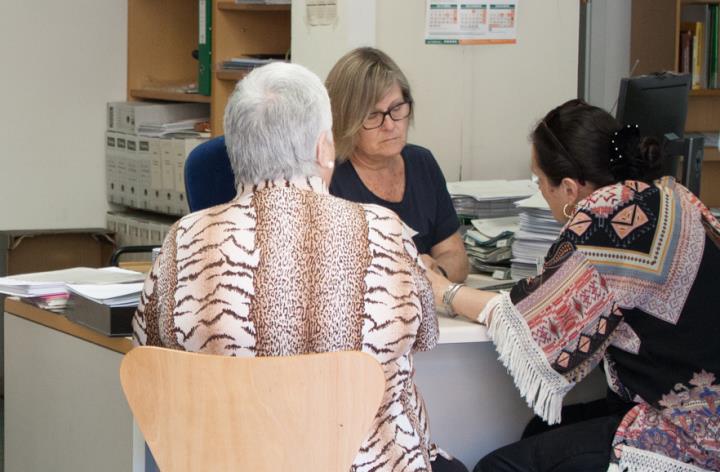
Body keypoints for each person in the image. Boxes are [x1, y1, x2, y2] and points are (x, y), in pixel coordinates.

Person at [132, 62, 467, 472]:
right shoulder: (383, 231)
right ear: (323, 148)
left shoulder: (183, 239)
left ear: (235, 149)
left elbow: (149, 351)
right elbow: (424, 335)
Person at [425, 99, 720, 471]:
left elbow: (528, 323)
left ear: (567, 187)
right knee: (537, 431)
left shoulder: (606, 219)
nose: (540, 191)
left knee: (497, 467)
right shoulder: (667, 195)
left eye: (539, 181)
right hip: (692, 408)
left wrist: (442, 291)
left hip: (693, 433)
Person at [325, 47, 469, 283]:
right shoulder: (329, 179)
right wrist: (409, 274)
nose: (390, 125)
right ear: (345, 119)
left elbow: (456, 256)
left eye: (396, 108)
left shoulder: (422, 163)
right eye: (373, 115)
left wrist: (436, 275)